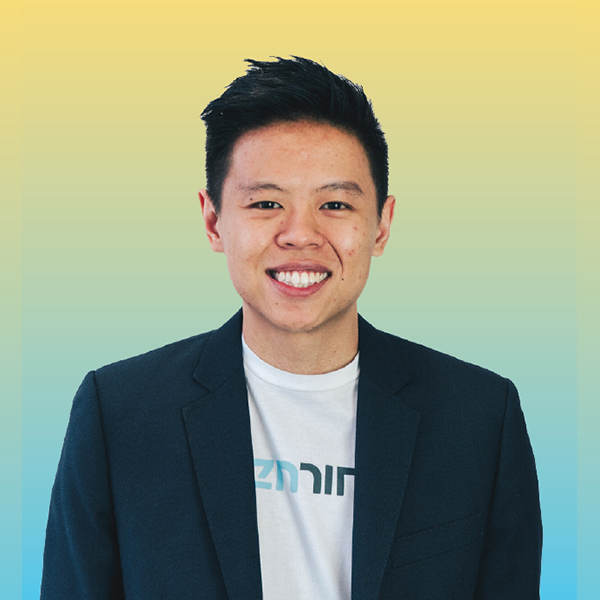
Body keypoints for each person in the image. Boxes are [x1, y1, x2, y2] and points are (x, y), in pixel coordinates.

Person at [41, 57, 542, 599]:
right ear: (213, 221)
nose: (300, 234)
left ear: (381, 224)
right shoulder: (120, 414)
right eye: (266, 203)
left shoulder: (478, 419)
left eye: (335, 204)